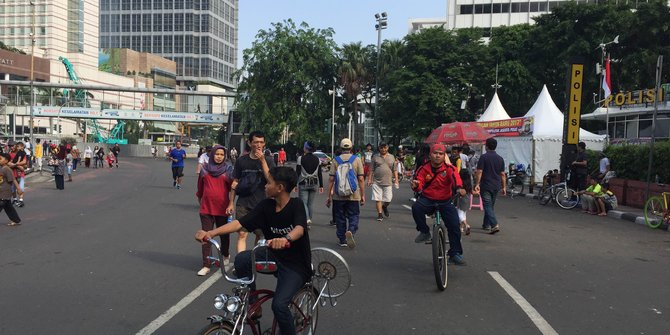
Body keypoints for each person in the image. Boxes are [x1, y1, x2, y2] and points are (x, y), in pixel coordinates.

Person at [195, 166, 310, 335]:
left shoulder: (296, 205)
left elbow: (299, 228)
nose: (265, 186)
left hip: (296, 264)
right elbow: (240, 223)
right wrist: (210, 233)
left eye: (268, 182)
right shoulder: (266, 206)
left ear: (280, 188)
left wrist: (286, 239)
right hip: (272, 255)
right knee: (242, 259)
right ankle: (253, 304)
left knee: (279, 305)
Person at [410, 143, 467, 265]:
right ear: (430, 155)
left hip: (445, 201)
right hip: (428, 200)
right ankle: (424, 232)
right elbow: (418, 182)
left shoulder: (449, 169)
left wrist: (459, 189)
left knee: (454, 225)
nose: (437, 156)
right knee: (416, 208)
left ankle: (455, 253)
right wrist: (416, 185)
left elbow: (456, 180)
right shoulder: (423, 168)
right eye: (435, 153)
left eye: (440, 154)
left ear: (444, 155)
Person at [228, 131, 276, 252]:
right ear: (250, 143)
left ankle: (254, 261)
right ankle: (241, 263)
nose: (258, 145)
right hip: (243, 203)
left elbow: (271, 181)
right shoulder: (241, 161)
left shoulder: (269, 160)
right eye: (255, 142)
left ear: (264, 144)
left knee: (260, 235)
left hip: (262, 204)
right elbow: (235, 183)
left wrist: (263, 161)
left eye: (261, 142)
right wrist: (231, 203)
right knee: (242, 234)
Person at [195, 145, 235, 276]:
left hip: (222, 209)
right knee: (206, 236)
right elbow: (200, 189)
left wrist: (231, 204)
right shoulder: (204, 170)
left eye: (221, 155)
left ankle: (225, 255)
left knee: (224, 235)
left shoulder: (228, 170)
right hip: (206, 208)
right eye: (217, 154)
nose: (219, 157)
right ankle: (206, 264)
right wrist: (200, 201)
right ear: (212, 155)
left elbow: (232, 189)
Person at [327, 138, 365, 248]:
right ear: (351, 148)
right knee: (354, 215)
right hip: (353, 195)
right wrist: (362, 195)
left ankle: (342, 239)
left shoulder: (336, 160)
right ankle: (351, 231)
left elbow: (331, 179)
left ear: (341, 148)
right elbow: (361, 179)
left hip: (338, 195)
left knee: (340, 217)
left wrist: (329, 196)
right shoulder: (357, 160)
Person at [474, 138, 506, 234]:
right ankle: (486, 225)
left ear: (486, 146)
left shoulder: (484, 157)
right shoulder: (500, 159)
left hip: (486, 185)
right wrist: (504, 187)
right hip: (496, 185)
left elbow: (479, 171)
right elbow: (503, 174)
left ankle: (494, 224)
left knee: (487, 206)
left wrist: (477, 184)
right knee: (490, 206)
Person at [367, 142, 398, 222]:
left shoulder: (392, 157)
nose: (383, 149)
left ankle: (384, 207)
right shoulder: (375, 157)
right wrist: (369, 179)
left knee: (388, 199)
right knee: (378, 199)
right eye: (381, 147)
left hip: (388, 182)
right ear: (379, 148)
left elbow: (395, 169)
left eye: (385, 147)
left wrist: (396, 180)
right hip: (377, 182)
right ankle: (380, 214)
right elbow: (371, 169)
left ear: (387, 148)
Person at [295, 141, 323, 227]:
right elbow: (319, 173)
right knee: (310, 204)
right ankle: (309, 221)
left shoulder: (300, 158)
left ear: (306, 148)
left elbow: (298, 173)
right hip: (314, 183)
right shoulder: (317, 159)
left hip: (303, 183)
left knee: (304, 203)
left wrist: (295, 184)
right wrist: (321, 185)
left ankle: (307, 219)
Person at [0, 153, 23, 226]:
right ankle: (16, 220)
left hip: (4, 192)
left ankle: (15, 220)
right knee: (8, 207)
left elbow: (13, 179)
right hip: (2, 192)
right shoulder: (2, 168)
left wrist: (19, 189)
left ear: (6, 161)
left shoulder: (6, 169)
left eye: (0, 159)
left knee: (3, 204)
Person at [8, 141, 27, 207]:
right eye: (10, 146)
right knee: (12, 188)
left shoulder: (22, 153)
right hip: (12, 173)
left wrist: (15, 164)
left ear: (16, 146)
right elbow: (8, 164)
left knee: (21, 187)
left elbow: (25, 163)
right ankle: (15, 199)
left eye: (12, 146)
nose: (11, 147)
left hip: (20, 173)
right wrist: (18, 165)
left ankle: (21, 200)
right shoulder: (9, 154)